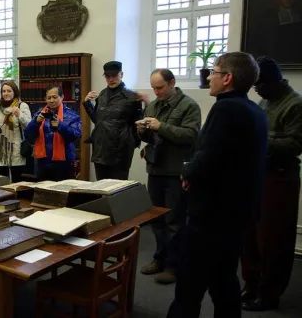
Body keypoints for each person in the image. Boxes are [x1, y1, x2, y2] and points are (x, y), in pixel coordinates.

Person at [167, 52, 268, 318]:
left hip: (211, 216)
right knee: (224, 280)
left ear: (228, 78)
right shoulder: (255, 110)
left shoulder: (226, 108)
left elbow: (207, 157)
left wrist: (188, 170)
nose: (209, 76)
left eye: (213, 71)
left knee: (189, 285)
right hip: (238, 214)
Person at [240, 57, 302, 312]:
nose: (256, 90)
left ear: (274, 82)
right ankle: (252, 284)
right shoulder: (266, 98)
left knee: (274, 239)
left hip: (279, 178)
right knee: (250, 235)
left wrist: (259, 139)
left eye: (259, 85)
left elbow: (295, 144)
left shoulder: (296, 104)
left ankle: (269, 293)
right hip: (258, 174)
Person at [137, 69, 202, 285]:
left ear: (172, 82)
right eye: (154, 88)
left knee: (174, 221)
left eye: (160, 87)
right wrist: (142, 130)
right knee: (156, 219)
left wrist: (160, 126)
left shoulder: (189, 105)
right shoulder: (154, 105)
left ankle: (175, 266)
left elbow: (191, 136)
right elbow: (151, 137)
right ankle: (160, 258)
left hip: (175, 172)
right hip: (155, 169)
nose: (156, 92)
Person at [83, 61, 145, 180]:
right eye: (108, 76)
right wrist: (87, 104)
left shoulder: (132, 97)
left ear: (121, 74)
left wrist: (130, 143)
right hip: (100, 150)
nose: (111, 79)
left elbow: (139, 124)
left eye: (114, 76)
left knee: (117, 191)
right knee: (101, 188)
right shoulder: (102, 95)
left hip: (120, 152)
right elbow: (98, 120)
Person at [24, 85, 81, 181]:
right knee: (43, 192)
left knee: (62, 192)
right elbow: (28, 135)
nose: (51, 100)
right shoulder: (39, 114)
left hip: (64, 163)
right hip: (43, 161)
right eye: (48, 98)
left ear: (62, 97)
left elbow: (75, 136)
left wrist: (60, 126)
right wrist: (35, 123)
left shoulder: (73, 116)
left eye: (54, 97)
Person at [0, 81, 31, 182]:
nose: (6, 93)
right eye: (4, 91)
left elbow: (29, 125)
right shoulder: (0, 108)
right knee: (3, 182)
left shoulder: (22, 106)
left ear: (14, 92)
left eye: (9, 91)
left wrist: (19, 114)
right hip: (1, 151)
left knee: (17, 183)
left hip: (17, 151)